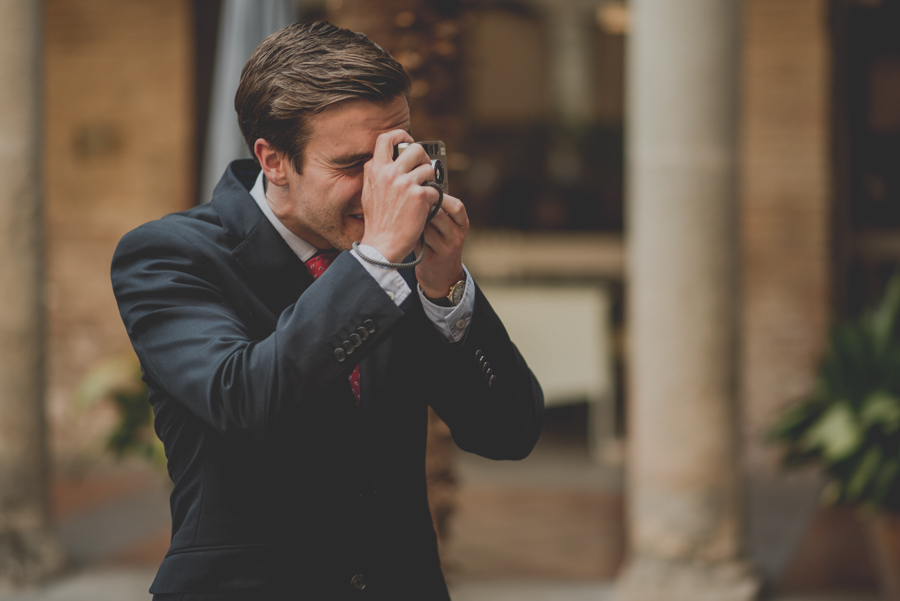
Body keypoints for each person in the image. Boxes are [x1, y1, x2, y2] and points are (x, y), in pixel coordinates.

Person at [111, 20, 543, 601]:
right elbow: (246, 398)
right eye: (350, 165)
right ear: (274, 160)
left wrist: (446, 291)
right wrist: (375, 261)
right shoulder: (171, 255)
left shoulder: (400, 253)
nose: (378, 189)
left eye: (393, 153)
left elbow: (508, 431)